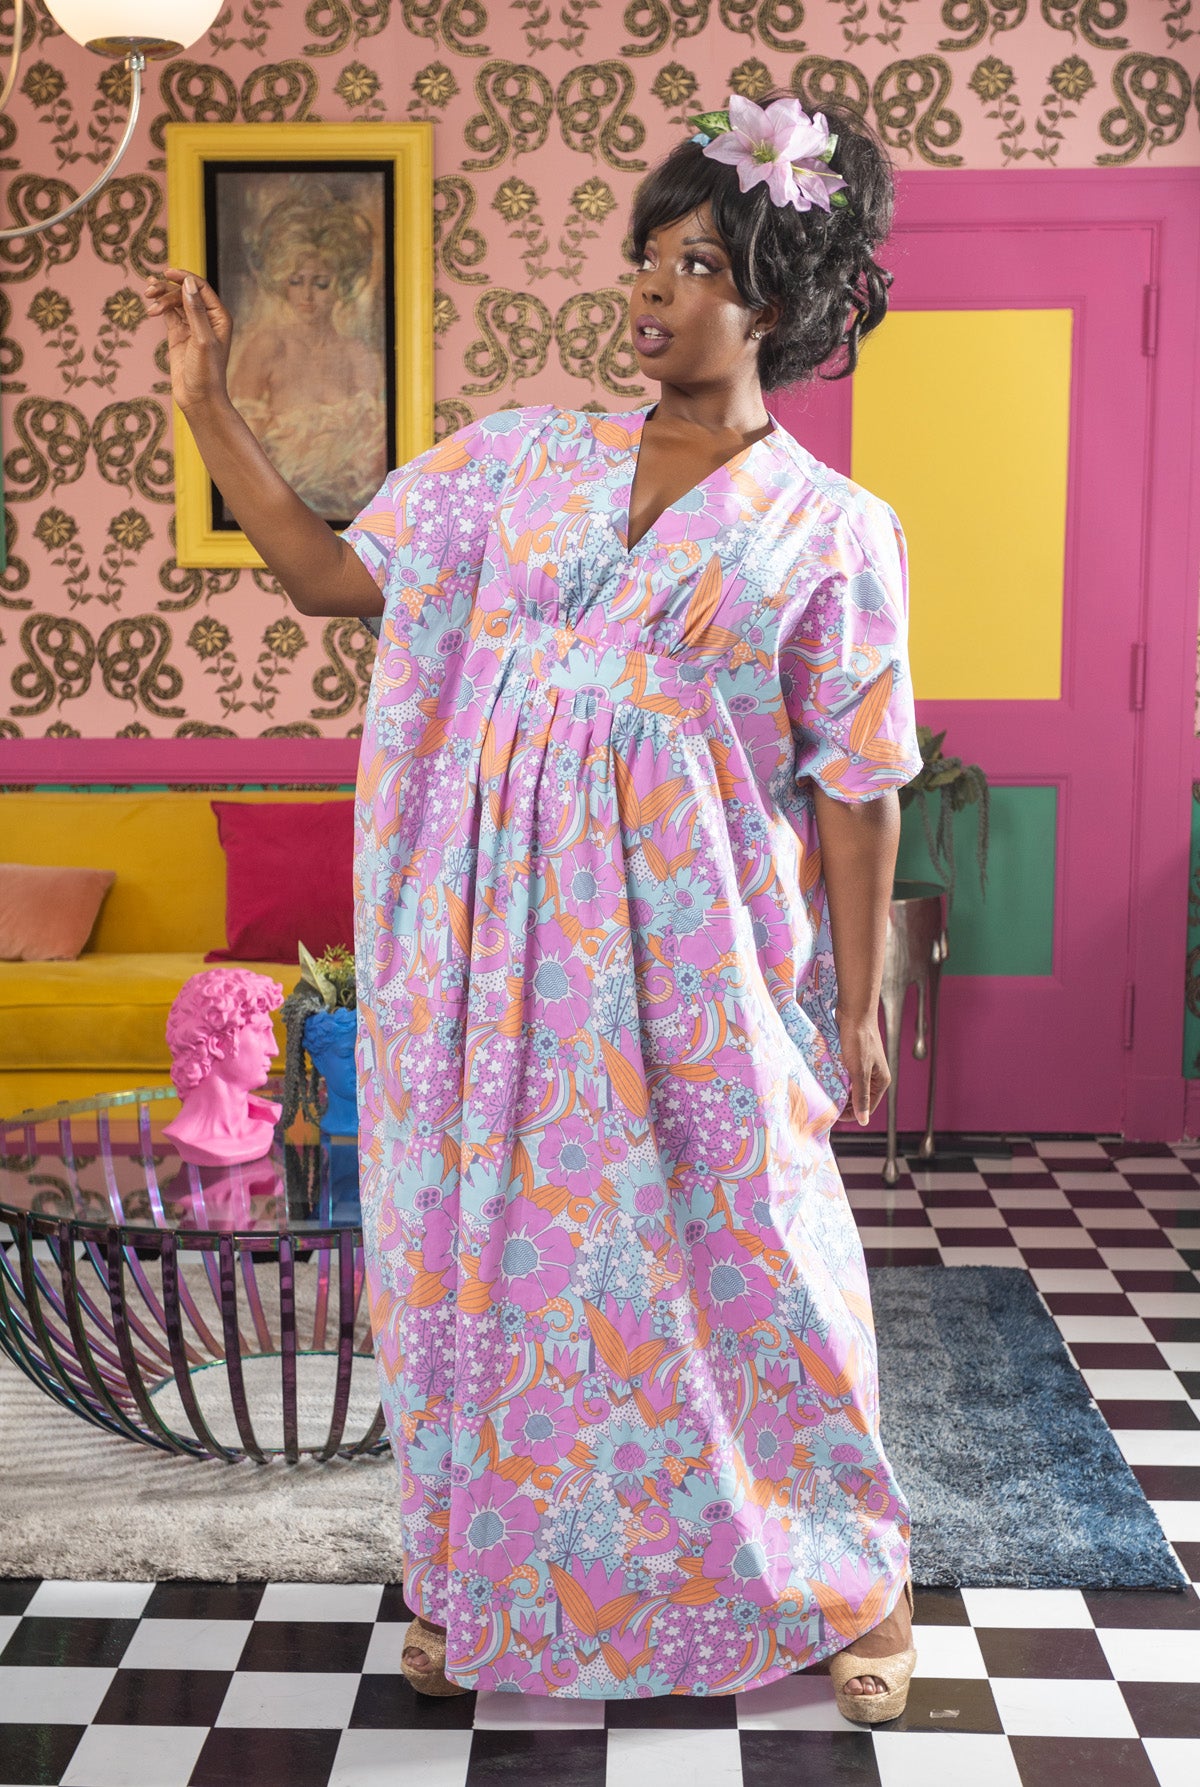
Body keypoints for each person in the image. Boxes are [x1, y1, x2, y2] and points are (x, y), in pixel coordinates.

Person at [145, 89, 922, 1721]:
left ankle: (853, 1576)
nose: (647, 291)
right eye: (642, 258)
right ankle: (488, 1577)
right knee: (495, 1262)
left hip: (703, 959)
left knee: (762, 1251)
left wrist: (859, 997)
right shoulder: (518, 462)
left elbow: (858, 781)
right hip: (494, 955)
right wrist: (207, 407)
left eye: (692, 262)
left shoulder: (836, 533)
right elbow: (327, 577)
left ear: (772, 294)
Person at [225, 188, 387, 519]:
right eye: (297, 281)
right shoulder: (267, 347)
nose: (307, 296)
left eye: (321, 283)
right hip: (277, 513)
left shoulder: (359, 356)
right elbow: (239, 446)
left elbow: (373, 460)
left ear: (341, 285)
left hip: (350, 514)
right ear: (282, 281)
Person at [162, 968, 283, 1166]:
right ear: (217, 1043)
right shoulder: (189, 1137)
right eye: (261, 1031)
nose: (274, 1049)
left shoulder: (264, 1125)